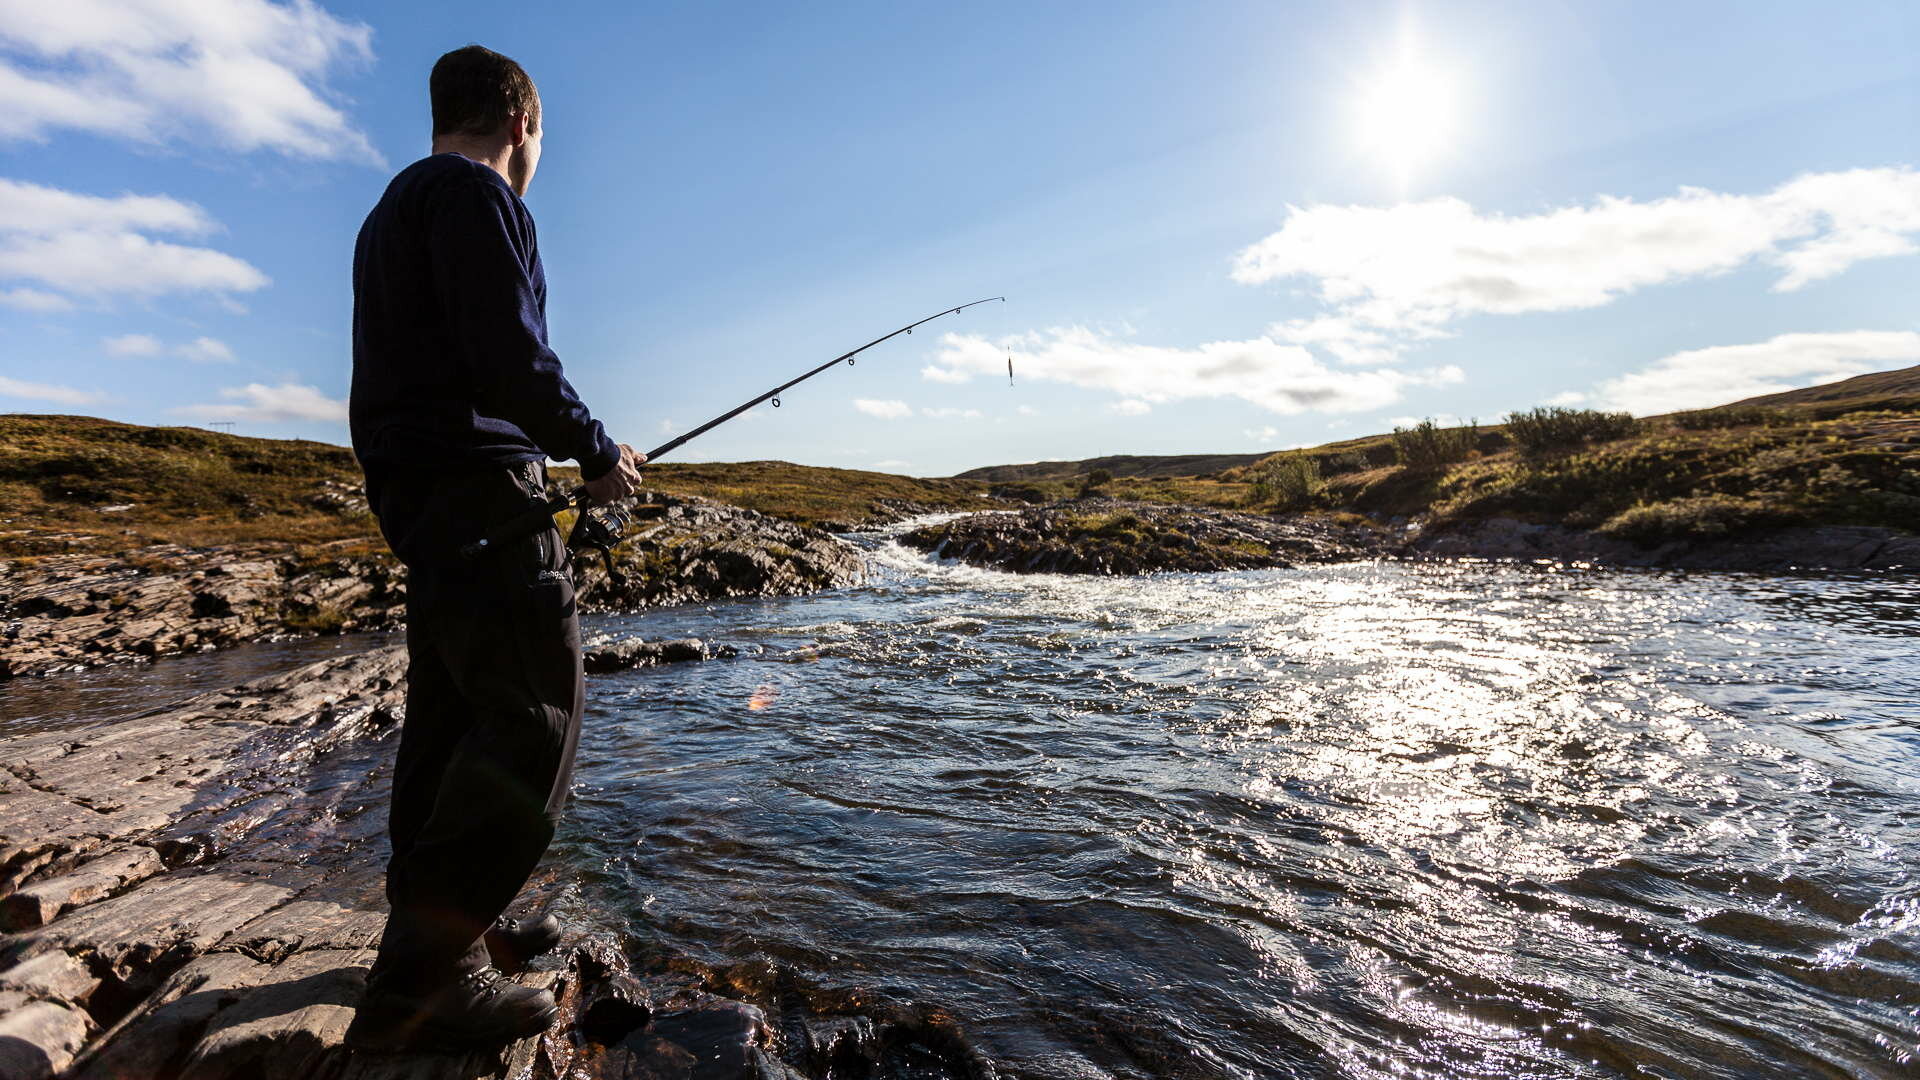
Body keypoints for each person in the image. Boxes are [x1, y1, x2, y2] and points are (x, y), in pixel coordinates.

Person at [343, 43, 644, 1053]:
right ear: (522, 123)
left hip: (426, 504)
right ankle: (422, 984)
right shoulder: (478, 199)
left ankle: (437, 928)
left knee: (451, 719)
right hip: (482, 496)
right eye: (543, 134)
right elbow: (510, 353)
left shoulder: (391, 211)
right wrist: (597, 452)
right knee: (531, 725)